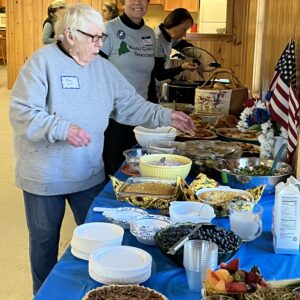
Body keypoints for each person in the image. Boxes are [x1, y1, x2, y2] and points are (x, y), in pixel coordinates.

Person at [9, 3, 195, 295]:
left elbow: (129, 104)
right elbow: (21, 113)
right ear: (70, 35)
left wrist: (166, 115)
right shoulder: (41, 62)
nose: (100, 44)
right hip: (44, 176)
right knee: (45, 243)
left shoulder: (102, 68)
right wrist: (62, 129)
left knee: (101, 238)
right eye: (94, 37)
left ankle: (97, 292)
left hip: (87, 172)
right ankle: (43, 293)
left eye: (101, 38)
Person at [99, 0, 156, 178]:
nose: (138, 3)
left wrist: (155, 110)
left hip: (140, 111)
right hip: (114, 113)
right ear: (123, 3)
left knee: (138, 166)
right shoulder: (108, 29)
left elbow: (150, 75)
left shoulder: (149, 33)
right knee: (114, 165)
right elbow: (94, 69)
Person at [148, 8, 202, 100]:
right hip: (148, 89)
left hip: (155, 87)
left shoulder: (168, 36)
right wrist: (182, 67)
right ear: (173, 23)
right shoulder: (157, 40)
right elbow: (159, 74)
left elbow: (184, 46)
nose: (184, 34)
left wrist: (198, 56)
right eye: (183, 29)